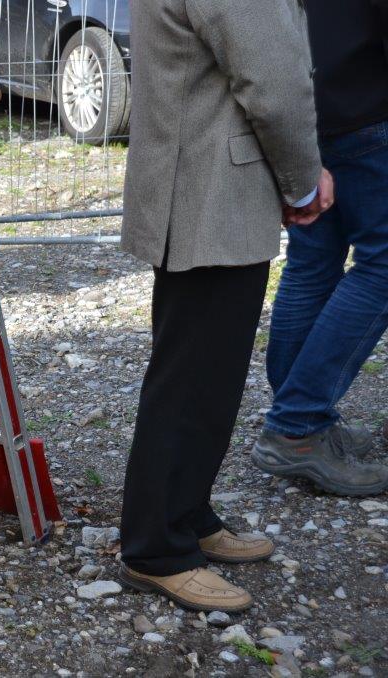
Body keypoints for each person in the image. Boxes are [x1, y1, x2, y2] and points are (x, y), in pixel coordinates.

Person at [118, 0, 333, 612]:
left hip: (199, 182)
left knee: (205, 373)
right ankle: (156, 548)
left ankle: (185, 513)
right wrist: (303, 179)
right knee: (192, 377)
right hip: (210, 191)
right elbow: (274, 81)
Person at [251, 0, 388, 496]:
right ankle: (297, 425)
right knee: (382, 267)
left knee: (312, 264)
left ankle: (303, 419)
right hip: (368, 106)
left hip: (309, 107)